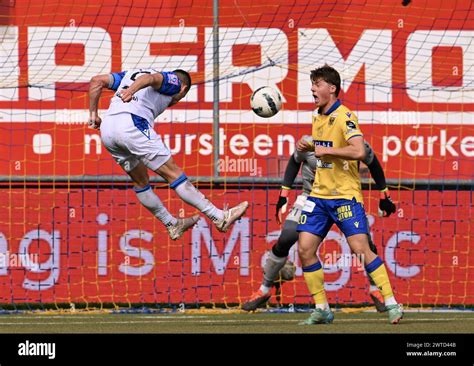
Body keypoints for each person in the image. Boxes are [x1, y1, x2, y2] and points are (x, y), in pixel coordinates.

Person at [296, 64, 403, 325]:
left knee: (360, 248)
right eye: (313, 84)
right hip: (319, 196)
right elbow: (324, 147)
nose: (312, 88)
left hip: (345, 196)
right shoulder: (317, 115)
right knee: (305, 249)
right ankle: (322, 309)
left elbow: (359, 152)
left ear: (331, 88)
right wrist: (311, 143)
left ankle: (391, 302)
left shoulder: (346, 116)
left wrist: (326, 150)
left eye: (317, 84)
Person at [88, 69, 248, 240]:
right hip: (132, 124)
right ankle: (219, 217)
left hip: (107, 130)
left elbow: (96, 81)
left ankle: (171, 223)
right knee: (173, 174)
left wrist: (93, 115)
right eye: (180, 98)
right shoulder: (174, 82)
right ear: (182, 89)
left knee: (141, 181)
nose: (176, 101)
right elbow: (150, 78)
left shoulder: (127, 75)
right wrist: (131, 91)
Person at [242, 137, 396, 312]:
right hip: (311, 197)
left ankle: (376, 290)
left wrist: (384, 194)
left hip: (343, 198)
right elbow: (294, 160)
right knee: (287, 236)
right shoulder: (309, 143)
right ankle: (264, 289)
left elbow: (373, 163)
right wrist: (284, 194)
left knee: (363, 244)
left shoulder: (355, 143)